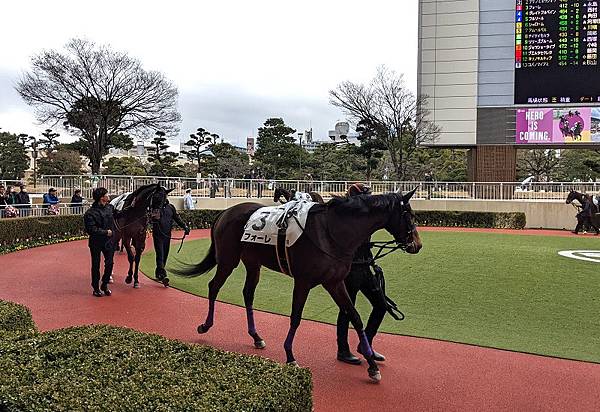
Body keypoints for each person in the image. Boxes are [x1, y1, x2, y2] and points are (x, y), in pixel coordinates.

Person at [336, 183, 388, 365]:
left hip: (365, 267)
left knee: (381, 306)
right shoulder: (346, 217)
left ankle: (366, 344)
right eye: (366, 196)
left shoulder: (366, 216)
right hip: (350, 270)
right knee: (346, 310)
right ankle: (342, 350)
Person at [83, 187, 118, 297]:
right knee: (96, 265)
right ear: (101, 197)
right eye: (107, 194)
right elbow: (91, 229)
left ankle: (105, 283)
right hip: (96, 242)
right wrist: (105, 232)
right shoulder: (90, 213)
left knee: (110, 263)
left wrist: (132, 207)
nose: (109, 196)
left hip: (109, 241)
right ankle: (96, 288)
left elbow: (120, 214)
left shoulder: (110, 208)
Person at [152, 197, 190, 281]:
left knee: (165, 254)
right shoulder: (156, 208)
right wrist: (153, 217)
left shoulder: (171, 207)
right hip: (158, 235)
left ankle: (159, 274)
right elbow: (151, 219)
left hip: (167, 236)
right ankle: (162, 274)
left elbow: (177, 218)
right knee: (160, 255)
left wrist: (185, 226)